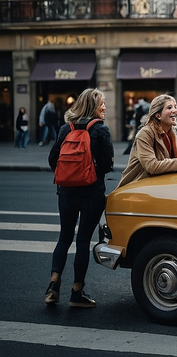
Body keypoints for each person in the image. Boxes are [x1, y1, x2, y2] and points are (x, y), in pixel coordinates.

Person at [45, 88, 114, 307]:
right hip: (92, 193)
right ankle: (76, 293)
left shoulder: (67, 128)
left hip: (66, 192)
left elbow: (52, 159)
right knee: (83, 240)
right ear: (93, 106)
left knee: (64, 238)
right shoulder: (101, 130)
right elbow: (107, 165)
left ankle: (53, 284)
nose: (104, 107)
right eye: (102, 103)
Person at [117, 94, 177, 188]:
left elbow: (173, 164)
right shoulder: (145, 133)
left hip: (157, 186)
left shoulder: (171, 134)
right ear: (158, 115)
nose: (175, 110)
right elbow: (152, 166)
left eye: (175, 106)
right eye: (169, 107)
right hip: (135, 189)